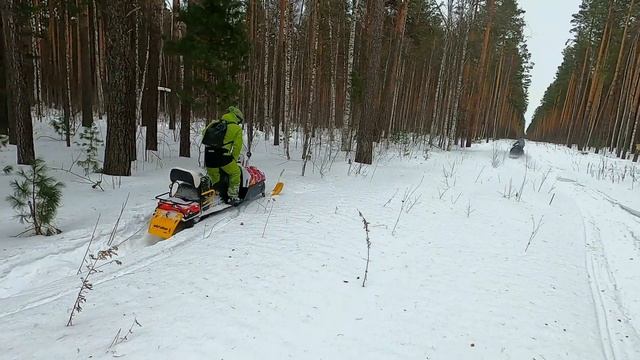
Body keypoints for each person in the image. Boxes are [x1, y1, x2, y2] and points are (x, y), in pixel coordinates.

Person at [202, 106, 244, 205]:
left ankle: (216, 193)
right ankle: (232, 196)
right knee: (235, 173)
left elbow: (204, 133)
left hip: (208, 155)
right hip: (223, 156)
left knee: (214, 176)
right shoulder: (236, 128)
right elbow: (237, 146)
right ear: (237, 118)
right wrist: (233, 158)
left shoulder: (214, 123)